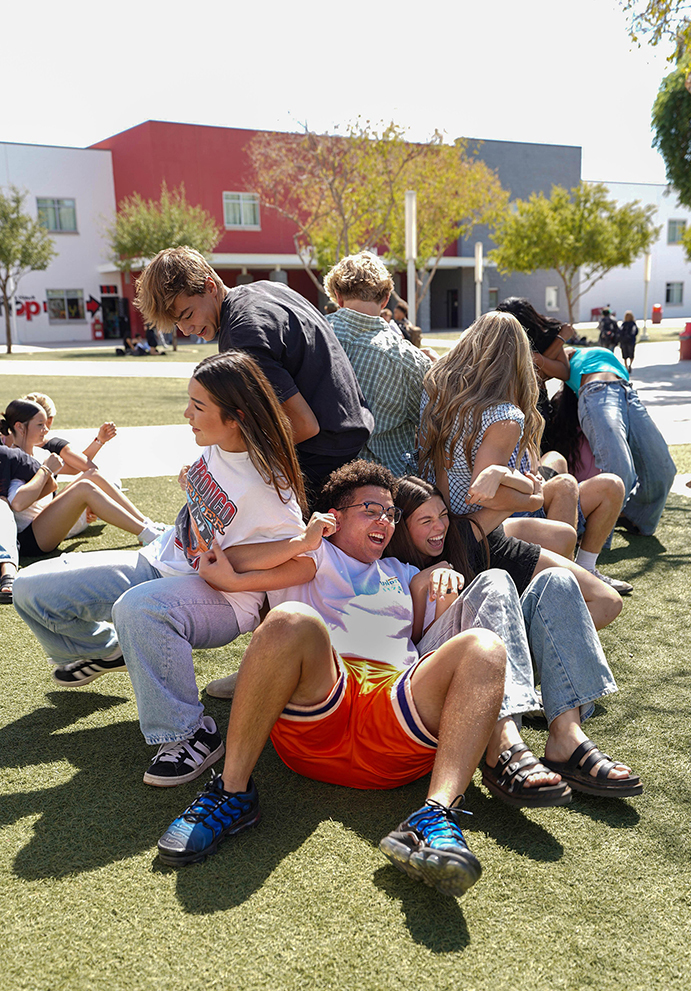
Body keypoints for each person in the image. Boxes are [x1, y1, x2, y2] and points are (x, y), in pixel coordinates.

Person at [156, 460, 507, 899]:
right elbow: (232, 559)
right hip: (320, 707)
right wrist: (302, 541)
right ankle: (233, 792)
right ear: (334, 517)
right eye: (370, 510)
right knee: (291, 618)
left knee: (485, 646)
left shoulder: (403, 572)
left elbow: (428, 637)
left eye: (390, 513)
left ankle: (436, 815)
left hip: (395, 720)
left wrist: (437, 576)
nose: (385, 520)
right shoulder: (309, 554)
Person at [13, 352, 329, 788]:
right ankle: (112, 648)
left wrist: (236, 580)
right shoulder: (217, 446)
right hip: (161, 559)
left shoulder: (268, 484)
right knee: (29, 587)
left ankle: (190, 733)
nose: (186, 414)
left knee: (139, 609)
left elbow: (304, 563)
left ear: (235, 418)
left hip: (221, 599)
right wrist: (190, 481)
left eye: (198, 406)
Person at [384, 476, 642, 806]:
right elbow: (409, 648)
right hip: (435, 675)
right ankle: (502, 741)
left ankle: (566, 735)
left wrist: (501, 475)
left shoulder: (460, 540)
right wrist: (425, 586)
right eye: (426, 520)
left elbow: (528, 499)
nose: (439, 527)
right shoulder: (389, 564)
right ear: (402, 527)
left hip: (486, 662)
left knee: (558, 581)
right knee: (494, 581)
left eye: (443, 515)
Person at [418, 311, 623, 626]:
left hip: (447, 523)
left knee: (564, 534)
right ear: (519, 359)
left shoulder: (436, 390)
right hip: (473, 537)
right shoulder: (503, 415)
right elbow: (483, 493)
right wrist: (531, 496)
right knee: (607, 602)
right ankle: (524, 639)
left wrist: (520, 486)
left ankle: (543, 602)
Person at [134, 246, 374, 501]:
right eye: (177, 323)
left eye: (188, 315)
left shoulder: (242, 334)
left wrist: (224, 462)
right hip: (352, 432)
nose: (185, 329)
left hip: (325, 454)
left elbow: (302, 425)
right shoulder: (267, 289)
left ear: (210, 286)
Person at [494, 299, 631, 595]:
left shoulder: (527, 391)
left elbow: (561, 370)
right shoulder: (495, 400)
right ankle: (566, 583)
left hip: (533, 494)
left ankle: (585, 569)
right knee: (564, 482)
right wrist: (560, 339)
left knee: (604, 481)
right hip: (513, 510)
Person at [0, 399, 166, 558]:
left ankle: (147, 524)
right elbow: (17, 503)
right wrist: (46, 470)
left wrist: (99, 441)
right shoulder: (14, 458)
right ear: (20, 427)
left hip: (48, 519)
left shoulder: (41, 453)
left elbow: (78, 468)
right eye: (40, 425)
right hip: (32, 538)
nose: (46, 430)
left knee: (91, 475)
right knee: (84, 487)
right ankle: (149, 535)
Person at [324, 251, 431, 476]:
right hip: (387, 483)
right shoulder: (410, 359)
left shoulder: (309, 336)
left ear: (338, 297)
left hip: (319, 478)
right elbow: (433, 427)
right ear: (386, 299)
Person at [562, 345, 676, 536]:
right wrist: (560, 343)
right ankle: (579, 530)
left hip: (628, 392)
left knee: (663, 470)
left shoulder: (582, 351)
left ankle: (633, 516)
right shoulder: (562, 358)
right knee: (619, 472)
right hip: (596, 392)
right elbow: (540, 362)